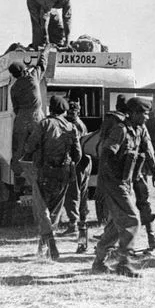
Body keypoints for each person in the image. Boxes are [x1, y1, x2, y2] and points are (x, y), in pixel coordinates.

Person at [92, 97, 149, 277]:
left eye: (147, 113)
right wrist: (102, 185)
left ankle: (99, 263)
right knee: (132, 220)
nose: (146, 117)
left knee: (115, 227)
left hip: (126, 183)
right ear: (132, 113)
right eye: (143, 113)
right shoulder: (120, 130)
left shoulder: (138, 131)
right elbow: (106, 155)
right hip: (114, 183)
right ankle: (124, 263)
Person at [23, 96, 82, 260]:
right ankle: (44, 248)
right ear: (64, 110)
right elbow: (78, 155)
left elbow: (30, 146)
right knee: (55, 211)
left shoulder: (44, 124)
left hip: (44, 172)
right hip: (64, 173)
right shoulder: (71, 126)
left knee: (42, 209)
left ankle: (50, 242)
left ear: (51, 109)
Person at [9, 45, 50, 181]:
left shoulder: (13, 88)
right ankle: (41, 173)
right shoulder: (32, 77)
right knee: (40, 145)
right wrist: (45, 50)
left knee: (19, 148)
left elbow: (15, 108)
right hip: (36, 116)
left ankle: (18, 176)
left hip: (21, 118)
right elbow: (42, 64)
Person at [60, 101, 92, 253]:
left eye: (73, 111)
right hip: (85, 163)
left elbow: (76, 147)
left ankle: (73, 223)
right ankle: (82, 220)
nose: (70, 113)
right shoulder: (82, 124)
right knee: (82, 193)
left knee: (73, 193)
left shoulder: (73, 126)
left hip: (78, 163)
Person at [94, 95, 128, 224]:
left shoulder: (110, 118)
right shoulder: (129, 121)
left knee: (102, 191)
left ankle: (103, 219)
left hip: (108, 159)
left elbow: (102, 138)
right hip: (123, 163)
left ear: (117, 105)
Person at [133, 124, 155, 251]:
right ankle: (151, 238)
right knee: (144, 203)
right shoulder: (140, 126)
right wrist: (154, 172)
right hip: (138, 173)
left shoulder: (114, 123)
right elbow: (149, 151)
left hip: (123, 174)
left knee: (118, 204)